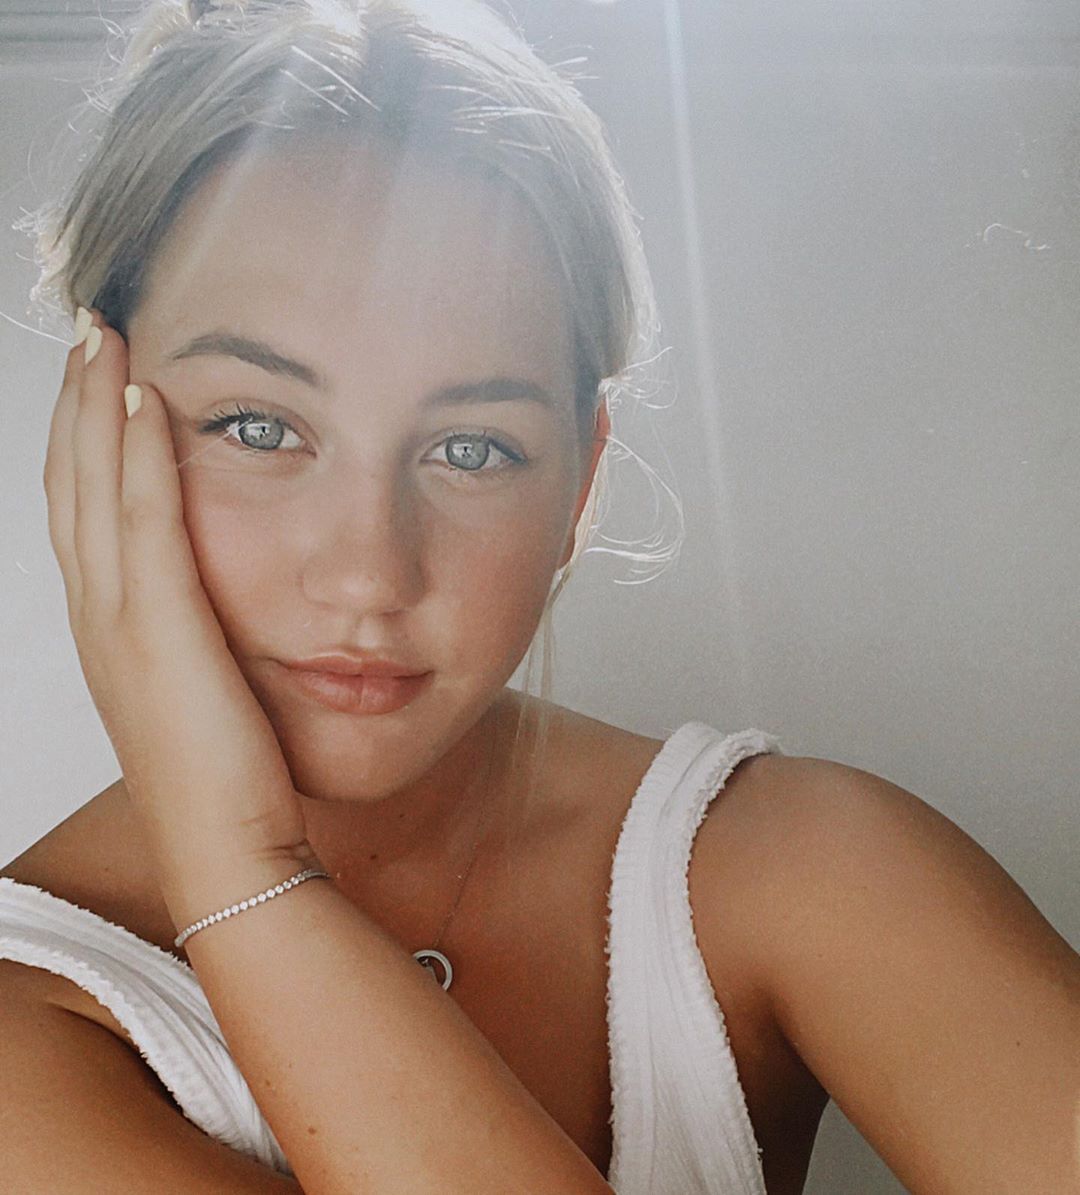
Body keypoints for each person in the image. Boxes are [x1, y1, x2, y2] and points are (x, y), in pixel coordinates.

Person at [1, 1, 1076, 1192]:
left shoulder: (803, 865)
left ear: (582, 484)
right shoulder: (20, 1028)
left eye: (471, 449)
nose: (369, 573)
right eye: (257, 427)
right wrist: (238, 867)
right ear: (94, 429)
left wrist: (238, 872)